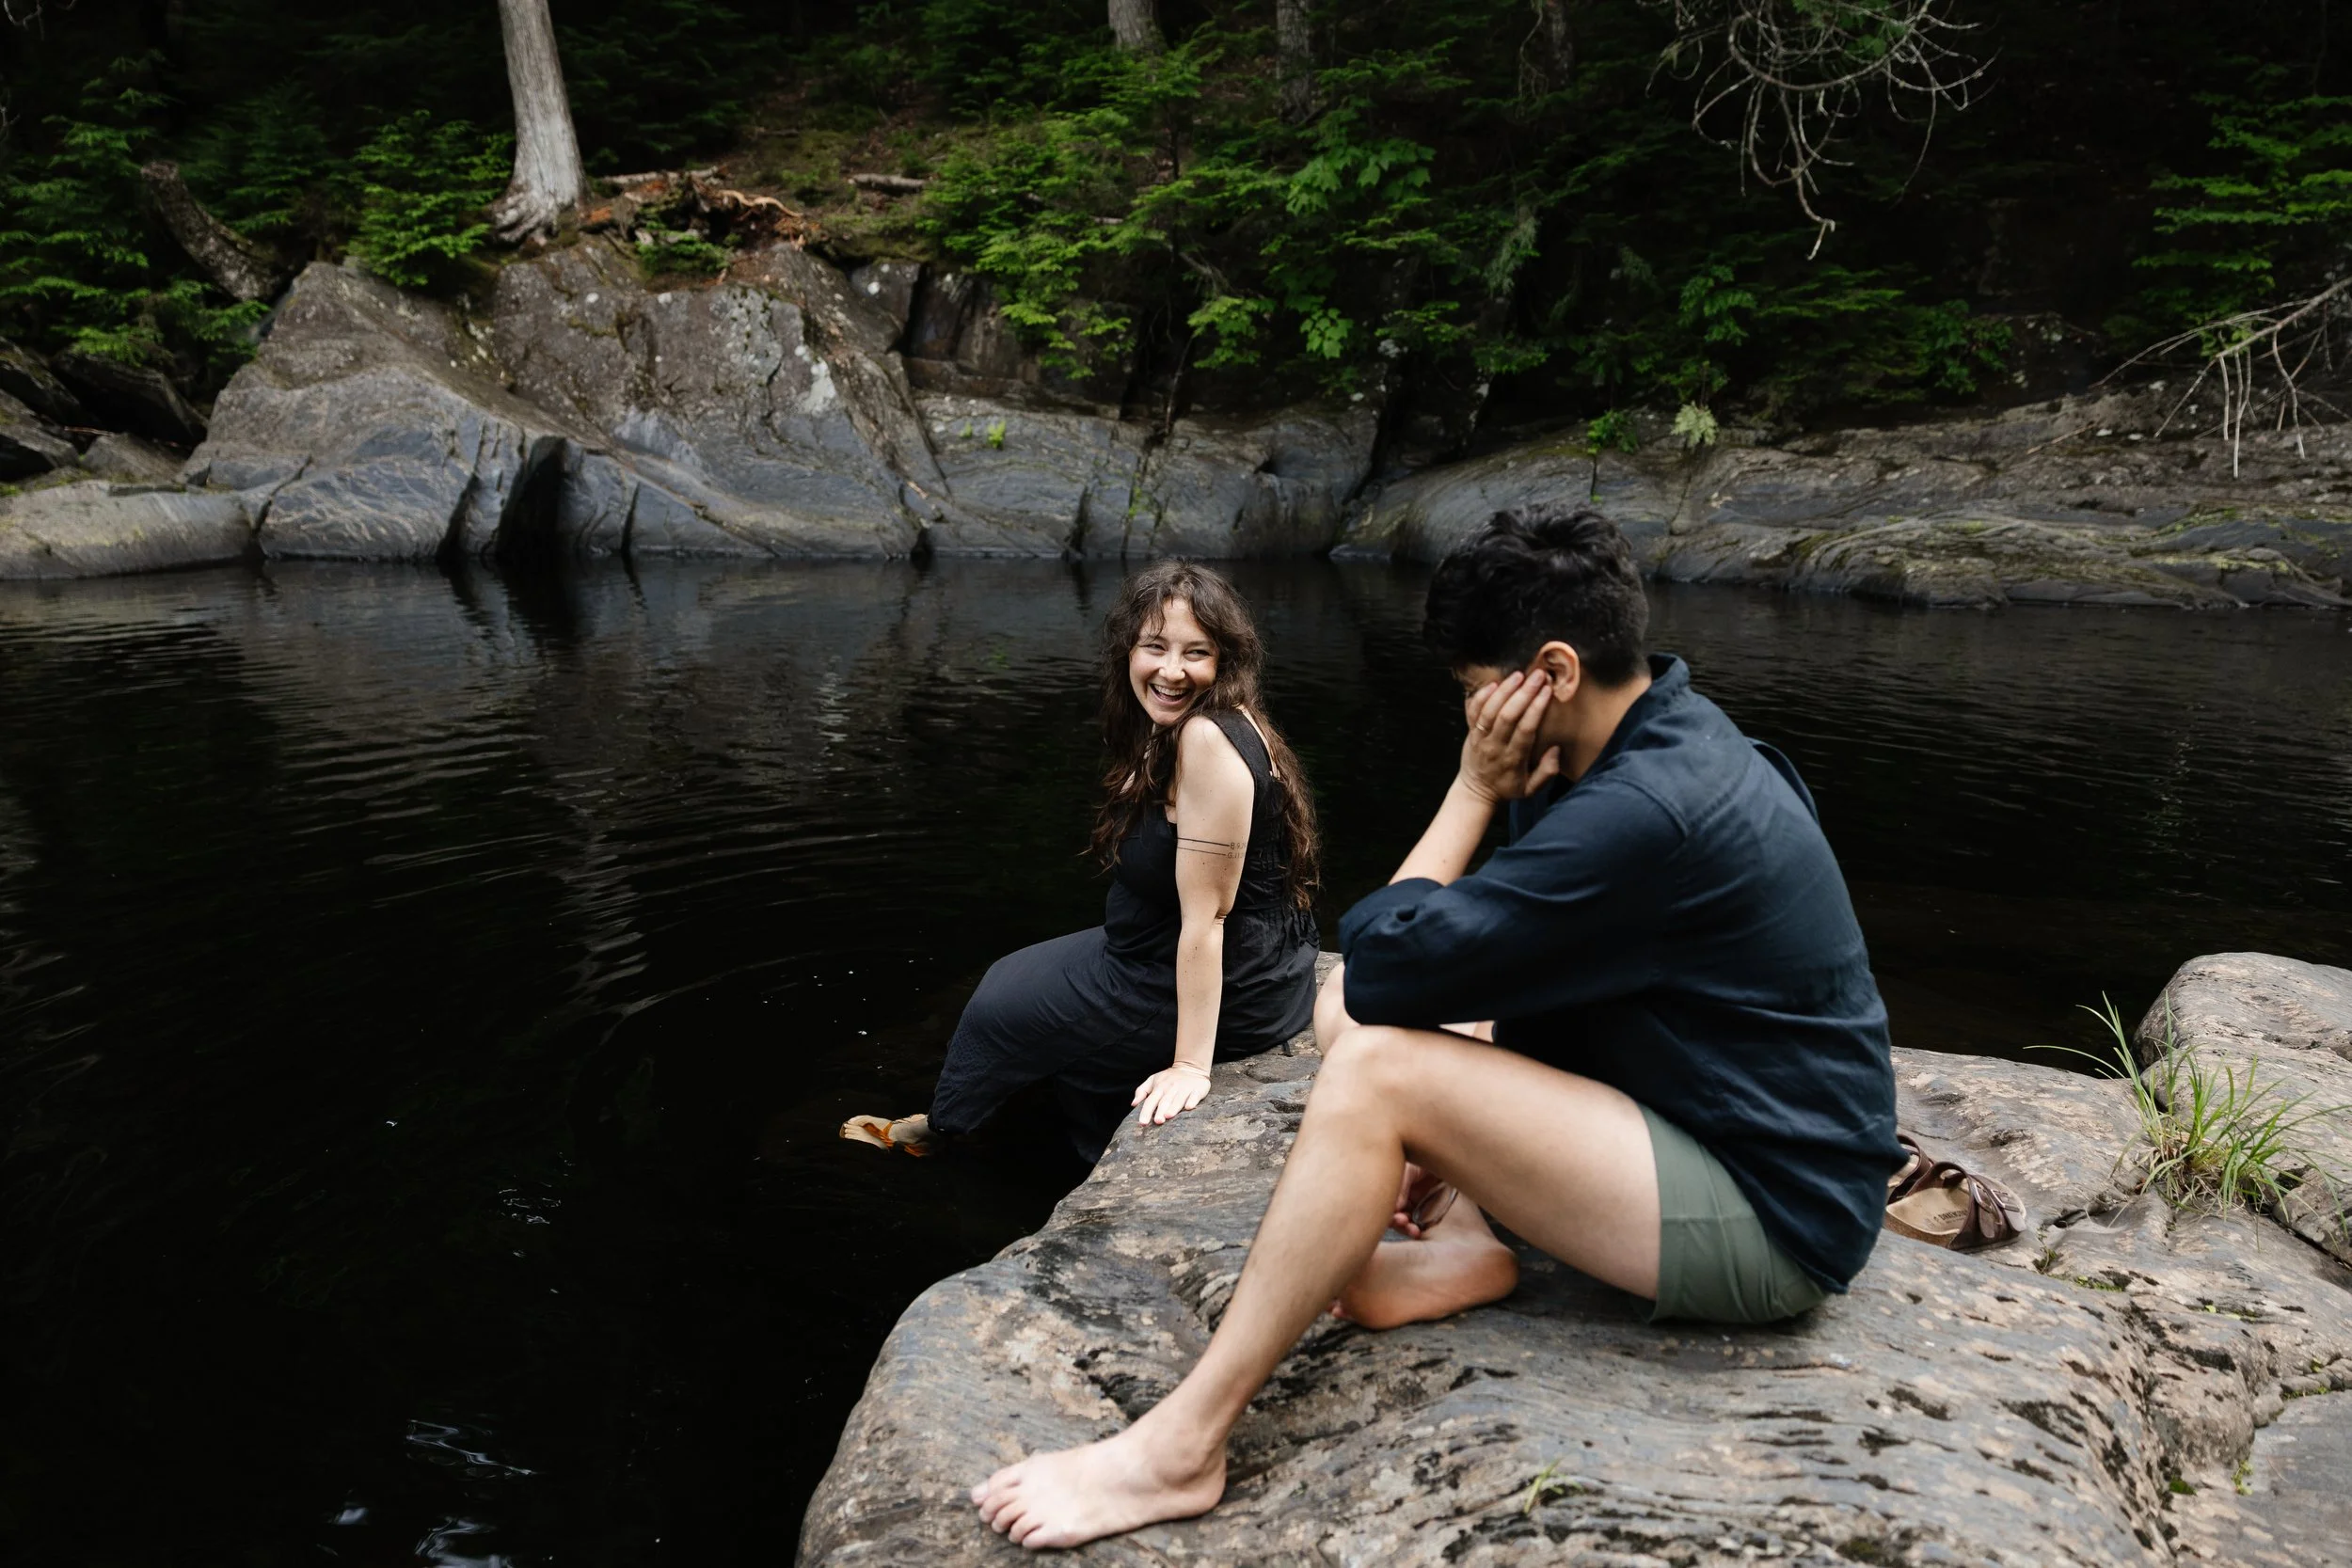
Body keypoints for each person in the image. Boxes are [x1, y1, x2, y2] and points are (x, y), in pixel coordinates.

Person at [969, 505, 1903, 1550]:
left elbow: (1376, 974)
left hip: (1774, 1222)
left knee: (1372, 1064)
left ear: (1547, 671)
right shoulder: (1661, 730)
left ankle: (1179, 1448)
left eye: (1472, 691)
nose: (1470, 718)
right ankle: (1469, 1240)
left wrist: (1472, 788)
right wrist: (1484, 1130)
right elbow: (1493, 959)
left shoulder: (1646, 811)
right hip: (1710, 1122)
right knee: (1434, 1001)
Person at [842, 562, 1322, 1165]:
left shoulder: (1206, 742)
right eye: (1155, 647)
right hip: (1180, 954)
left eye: (1195, 653)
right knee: (1011, 980)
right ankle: (1059, 1134)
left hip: (1224, 984)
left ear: (1224, 660)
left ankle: (941, 1132)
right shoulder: (1194, 720)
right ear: (1129, 649)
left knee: (999, 1012)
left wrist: (1191, 1065)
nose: (1171, 671)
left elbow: (1209, 919)